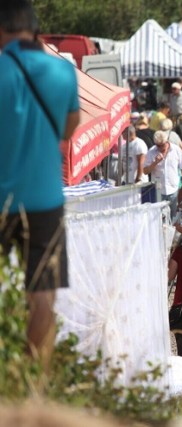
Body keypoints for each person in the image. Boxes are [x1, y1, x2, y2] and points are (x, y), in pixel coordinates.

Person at [0, 0, 80, 365]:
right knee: (43, 293)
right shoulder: (63, 72)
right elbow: (68, 127)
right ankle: (35, 380)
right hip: (45, 199)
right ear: (34, 29)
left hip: (2, 199)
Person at [143, 130, 182, 219]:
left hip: (174, 189)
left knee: (174, 217)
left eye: (162, 145)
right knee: (158, 218)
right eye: (158, 146)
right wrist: (155, 163)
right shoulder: (152, 151)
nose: (160, 148)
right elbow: (145, 171)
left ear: (167, 141)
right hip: (158, 190)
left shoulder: (176, 149)